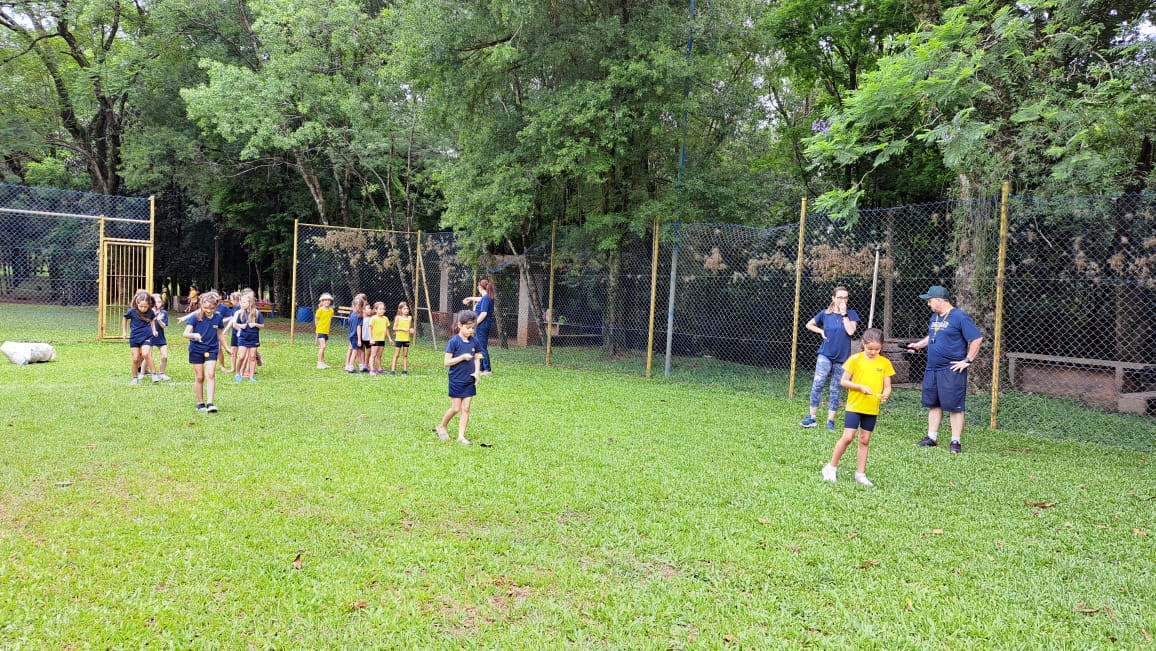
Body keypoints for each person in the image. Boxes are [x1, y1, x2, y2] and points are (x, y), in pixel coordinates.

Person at [905, 285, 984, 454]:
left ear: (940, 300)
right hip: (932, 367)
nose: (928, 304)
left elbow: (976, 339)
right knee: (933, 403)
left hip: (951, 369)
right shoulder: (935, 316)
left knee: (954, 406)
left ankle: (955, 441)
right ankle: (931, 438)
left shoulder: (959, 317)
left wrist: (967, 360)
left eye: (930, 300)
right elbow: (933, 335)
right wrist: (918, 345)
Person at [821, 328, 894, 487]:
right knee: (848, 437)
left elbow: (888, 386)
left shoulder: (885, 363)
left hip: (872, 408)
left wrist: (886, 394)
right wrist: (860, 387)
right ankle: (831, 467)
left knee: (865, 440)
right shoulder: (855, 359)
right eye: (870, 348)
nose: (873, 352)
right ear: (863, 344)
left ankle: (860, 474)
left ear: (881, 346)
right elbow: (843, 381)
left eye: (877, 349)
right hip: (854, 406)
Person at [800, 285, 859, 430]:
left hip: (842, 358)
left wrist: (844, 314)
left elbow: (851, 331)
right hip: (825, 354)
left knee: (835, 388)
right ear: (833, 298)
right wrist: (820, 331)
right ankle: (812, 417)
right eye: (839, 297)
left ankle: (830, 421)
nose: (843, 300)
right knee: (818, 383)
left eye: (845, 297)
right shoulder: (825, 314)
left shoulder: (851, 314)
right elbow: (809, 324)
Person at [435, 309, 483, 445]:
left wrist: (477, 372)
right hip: (456, 380)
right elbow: (446, 362)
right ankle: (442, 426)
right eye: (468, 328)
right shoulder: (453, 342)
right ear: (460, 325)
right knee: (456, 408)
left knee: (466, 408)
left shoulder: (475, 341)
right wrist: (461, 357)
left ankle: (461, 436)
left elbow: (478, 357)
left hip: (469, 380)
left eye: (473, 328)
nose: (470, 331)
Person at [182, 291, 225, 412]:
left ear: (216, 306)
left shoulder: (218, 318)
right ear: (201, 305)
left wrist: (227, 348)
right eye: (206, 308)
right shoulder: (195, 317)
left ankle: (210, 403)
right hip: (196, 349)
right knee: (200, 377)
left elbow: (220, 335)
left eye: (212, 308)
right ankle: (200, 403)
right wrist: (194, 335)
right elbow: (185, 334)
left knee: (210, 374)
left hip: (212, 348)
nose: (209, 310)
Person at [121, 290, 158, 384]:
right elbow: (125, 318)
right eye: (141, 306)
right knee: (135, 358)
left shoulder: (150, 312)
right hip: (135, 337)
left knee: (146, 354)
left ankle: (154, 374)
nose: (143, 308)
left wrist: (154, 330)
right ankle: (135, 377)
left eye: (145, 307)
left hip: (147, 336)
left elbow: (152, 320)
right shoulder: (132, 311)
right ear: (137, 303)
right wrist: (124, 332)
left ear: (149, 305)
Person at [462, 279, 495, 375]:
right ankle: (481, 369)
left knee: (482, 348)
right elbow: (479, 299)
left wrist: (475, 324)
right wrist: (470, 298)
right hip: (482, 325)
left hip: (482, 325)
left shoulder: (486, 298)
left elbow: (484, 313)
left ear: (480, 287)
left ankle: (487, 370)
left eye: (478, 286)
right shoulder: (486, 297)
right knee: (479, 347)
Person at [232, 293, 264, 382]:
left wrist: (255, 324)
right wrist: (241, 326)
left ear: (250, 303)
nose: (242, 304)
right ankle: (237, 373)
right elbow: (235, 324)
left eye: (244, 302)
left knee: (252, 357)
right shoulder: (241, 313)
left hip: (254, 338)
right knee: (241, 357)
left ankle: (251, 376)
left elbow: (262, 325)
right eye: (241, 302)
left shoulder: (257, 313)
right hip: (243, 337)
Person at [148, 293, 171, 381]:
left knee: (164, 356)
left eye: (159, 301)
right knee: (147, 356)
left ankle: (161, 373)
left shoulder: (163, 313)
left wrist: (159, 320)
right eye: (155, 301)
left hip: (160, 337)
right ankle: (142, 373)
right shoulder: (148, 312)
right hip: (149, 337)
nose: (157, 303)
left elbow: (164, 326)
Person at [390, 301, 415, 376]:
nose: (406, 310)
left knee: (405, 355)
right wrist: (402, 329)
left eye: (407, 308)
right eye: (404, 309)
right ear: (400, 309)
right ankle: (392, 370)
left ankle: (404, 371)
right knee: (397, 354)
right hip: (399, 339)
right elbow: (394, 328)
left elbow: (409, 328)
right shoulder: (398, 317)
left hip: (406, 339)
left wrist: (411, 330)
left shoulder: (410, 318)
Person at [368, 301, 393, 375]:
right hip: (375, 340)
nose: (382, 310)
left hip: (382, 340)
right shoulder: (373, 318)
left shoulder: (385, 318)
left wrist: (390, 339)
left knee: (379, 355)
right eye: (380, 309)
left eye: (383, 309)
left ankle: (379, 368)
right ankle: (372, 369)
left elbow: (386, 329)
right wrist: (371, 339)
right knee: (373, 355)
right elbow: (370, 329)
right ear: (375, 310)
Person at [344, 294, 367, 373]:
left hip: (351, 335)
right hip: (355, 336)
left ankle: (360, 366)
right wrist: (359, 340)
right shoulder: (358, 316)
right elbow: (358, 328)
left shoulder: (352, 314)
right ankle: (350, 366)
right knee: (355, 351)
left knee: (355, 350)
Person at [315, 293, 334, 369]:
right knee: (322, 346)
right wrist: (317, 330)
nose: (327, 301)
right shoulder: (320, 310)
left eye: (329, 300)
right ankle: (319, 363)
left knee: (323, 347)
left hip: (326, 331)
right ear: (322, 301)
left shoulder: (331, 311)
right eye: (325, 300)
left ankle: (322, 363)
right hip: (320, 331)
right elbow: (316, 320)